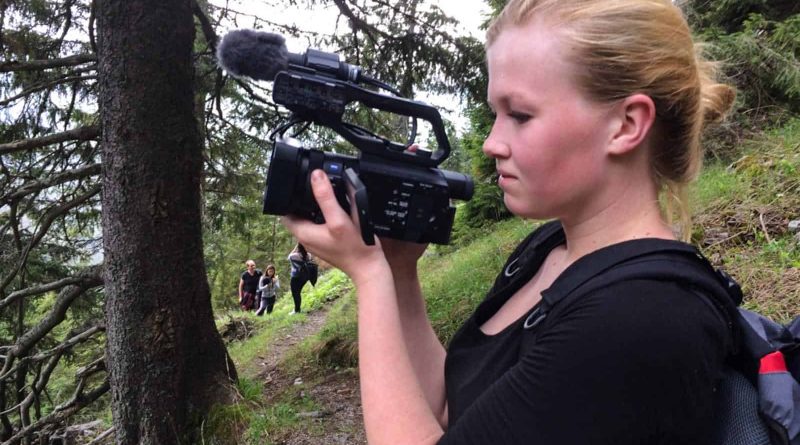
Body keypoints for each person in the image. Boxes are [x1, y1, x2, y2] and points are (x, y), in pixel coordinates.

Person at [281, 0, 738, 443]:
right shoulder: (549, 249)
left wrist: (369, 275)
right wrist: (398, 269)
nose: (491, 143)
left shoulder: (641, 318)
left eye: (519, 115)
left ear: (626, 125)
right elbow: (449, 409)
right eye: (496, 114)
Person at [287, 243, 311, 314]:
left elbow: (288, 257)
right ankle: (297, 309)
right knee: (298, 293)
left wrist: (295, 248)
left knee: (295, 294)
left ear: (298, 247)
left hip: (295, 277)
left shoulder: (294, 256)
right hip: (304, 277)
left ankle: (297, 310)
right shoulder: (308, 255)